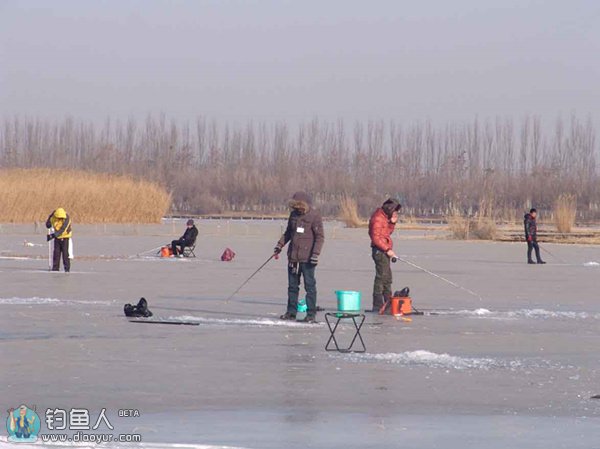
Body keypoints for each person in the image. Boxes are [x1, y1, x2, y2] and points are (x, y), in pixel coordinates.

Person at [274, 192, 324, 323]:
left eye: (299, 206)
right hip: (293, 258)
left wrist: (315, 254)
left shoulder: (314, 216)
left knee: (310, 287)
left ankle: (311, 314)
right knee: (292, 287)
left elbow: (320, 237)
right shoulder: (293, 215)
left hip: (308, 259)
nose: (297, 209)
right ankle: (291, 313)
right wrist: (279, 245)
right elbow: (288, 233)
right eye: (295, 206)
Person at [368, 198, 402, 312]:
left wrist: (392, 223)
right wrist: (387, 249)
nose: (395, 213)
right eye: (394, 211)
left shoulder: (384, 218)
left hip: (384, 250)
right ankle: (377, 305)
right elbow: (376, 237)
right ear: (389, 209)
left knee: (387, 278)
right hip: (379, 251)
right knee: (381, 277)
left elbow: (387, 233)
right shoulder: (377, 218)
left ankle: (387, 302)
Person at [45, 207, 72, 272]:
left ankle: (67, 269)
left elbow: (62, 230)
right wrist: (48, 221)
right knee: (56, 253)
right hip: (57, 238)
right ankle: (55, 268)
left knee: (65, 254)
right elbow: (48, 225)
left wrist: (52, 236)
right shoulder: (53, 217)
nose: (60, 219)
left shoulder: (67, 219)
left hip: (65, 237)